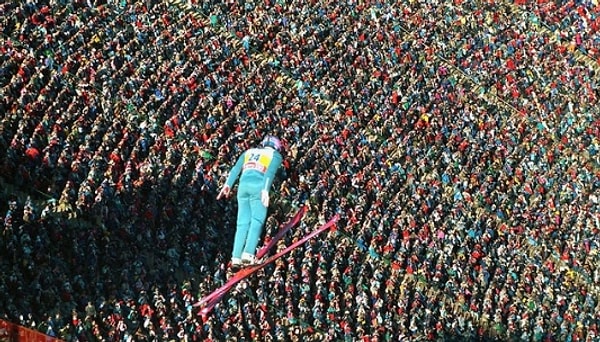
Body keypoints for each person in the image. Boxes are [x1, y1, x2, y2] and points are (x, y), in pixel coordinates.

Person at [217, 135, 284, 269]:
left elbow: (236, 169)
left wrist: (228, 184)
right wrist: (265, 190)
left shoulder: (249, 152)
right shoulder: (275, 155)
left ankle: (235, 257)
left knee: (242, 223)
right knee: (257, 220)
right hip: (258, 187)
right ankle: (248, 254)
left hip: (243, 187)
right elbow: (269, 173)